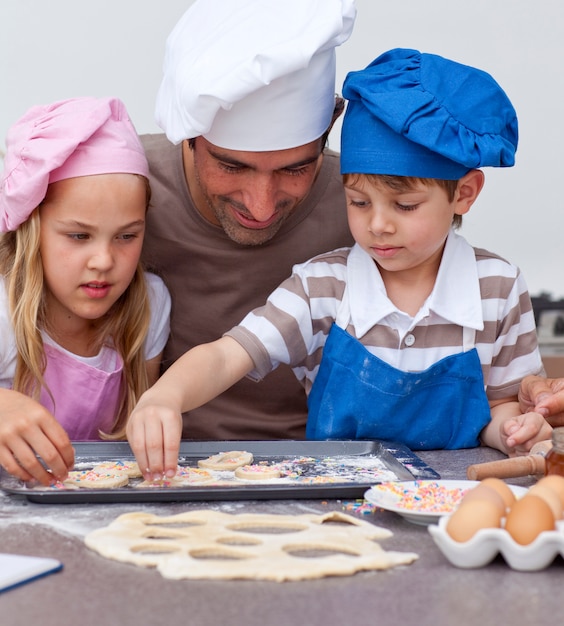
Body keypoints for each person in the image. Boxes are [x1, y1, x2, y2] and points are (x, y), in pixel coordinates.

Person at [128, 48, 551, 480]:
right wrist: (166, 396)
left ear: (463, 194)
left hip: (454, 501)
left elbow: (502, 408)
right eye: (358, 202)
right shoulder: (322, 287)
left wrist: (516, 430)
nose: (378, 225)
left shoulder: (497, 288)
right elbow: (226, 355)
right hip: (336, 495)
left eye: (404, 206)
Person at [140, 0, 356, 441]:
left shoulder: (366, 208)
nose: (260, 207)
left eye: (295, 169)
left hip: (321, 466)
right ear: (190, 135)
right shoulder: (121, 190)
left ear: (332, 123)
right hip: (156, 467)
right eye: (233, 167)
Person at [0, 97, 171, 485]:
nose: (103, 261)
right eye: (79, 235)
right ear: (31, 227)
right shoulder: (4, 310)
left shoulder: (151, 305)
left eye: (126, 236)